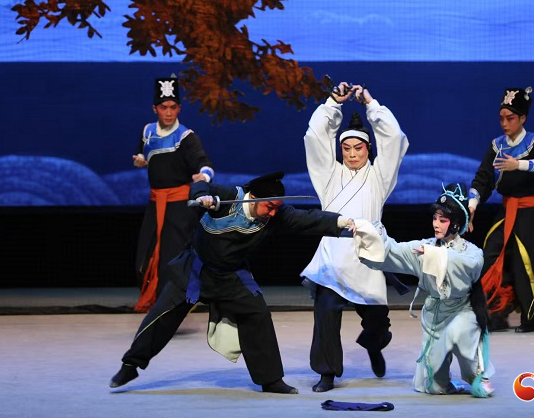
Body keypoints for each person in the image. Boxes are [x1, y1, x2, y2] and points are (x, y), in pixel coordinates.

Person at [110, 172, 356, 394]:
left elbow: (308, 219)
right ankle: (130, 365)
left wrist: (342, 222)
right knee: (162, 315)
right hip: (195, 271)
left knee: (258, 314)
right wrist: (203, 197)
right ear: (254, 198)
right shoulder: (228, 197)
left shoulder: (276, 216)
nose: (273, 213)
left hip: (231, 276)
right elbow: (200, 185)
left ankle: (271, 380)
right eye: (269, 206)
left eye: (276, 208)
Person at [300, 81, 409, 392]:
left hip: (367, 257)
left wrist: (371, 105)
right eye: (345, 148)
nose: (351, 154)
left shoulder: (379, 177)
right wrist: (333, 103)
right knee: (325, 312)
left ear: (368, 149)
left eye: (357, 148)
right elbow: (315, 137)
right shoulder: (329, 175)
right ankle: (327, 373)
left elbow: (394, 138)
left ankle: (374, 344)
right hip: (333, 257)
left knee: (377, 321)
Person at [357, 183, 494, 397]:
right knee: (433, 387)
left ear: (456, 223)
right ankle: (443, 381)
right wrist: (370, 233)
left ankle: (478, 375)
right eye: (435, 218)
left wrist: (433, 255)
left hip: (462, 311)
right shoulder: (426, 246)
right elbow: (395, 252)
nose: (436, 224)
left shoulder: (471, 252)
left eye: (443, 220)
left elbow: (468, 266)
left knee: (460, 338)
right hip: (435, 315)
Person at [468, 87, 534, 333]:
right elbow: (483, 178)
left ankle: (530, 318)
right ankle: (494, 314)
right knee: (490, 257)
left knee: (526, 265)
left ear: (522, 118)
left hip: (532, 214)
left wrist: (518, 165)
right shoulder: (497, 146)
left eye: (510, 118)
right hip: (507, 211)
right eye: (501, 118)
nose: (504, 123)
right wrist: (472, 204)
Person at [132, 76, 215, 312]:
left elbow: (204, 163)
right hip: (155, 203)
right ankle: (154, 298)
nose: (168, 113)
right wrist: (140, 160)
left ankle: (174, 303)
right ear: (155, 109)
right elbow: (143, 154)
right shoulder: (148, 131)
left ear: (179, 108)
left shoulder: (185, 136)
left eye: (173, 107)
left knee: (173, 255)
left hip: (179, 207)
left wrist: (204, 176)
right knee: (147, 252)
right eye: (163, 107)